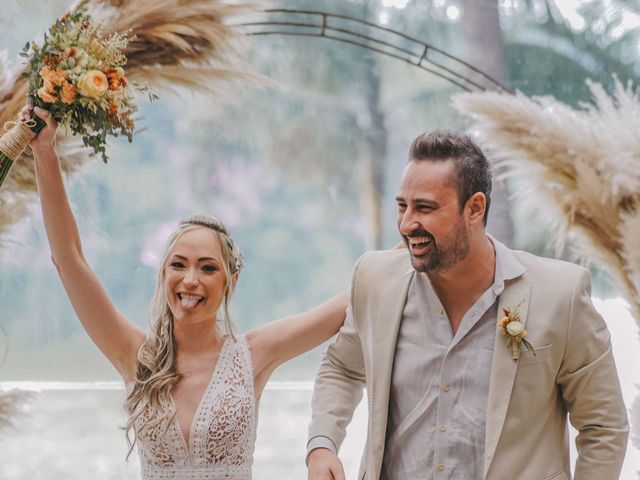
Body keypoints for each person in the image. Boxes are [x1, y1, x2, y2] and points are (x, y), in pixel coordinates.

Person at [23, 105, 348, 480]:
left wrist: (414, 242)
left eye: (207, 268)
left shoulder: (253, 354)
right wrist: (44, 150)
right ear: (163, 275)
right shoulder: (136, 356)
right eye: (178, 265)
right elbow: (69, 259)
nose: (190, 279)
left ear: (230, 281)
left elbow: (345, 305)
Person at [306, 130, 629, 480]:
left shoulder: (560, 295)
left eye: (425, 208)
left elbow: (604, 427)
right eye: (402, 206)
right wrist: (322, 444)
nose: (406, 223)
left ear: (475, 208)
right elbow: (342, 366)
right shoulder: (373, 279)